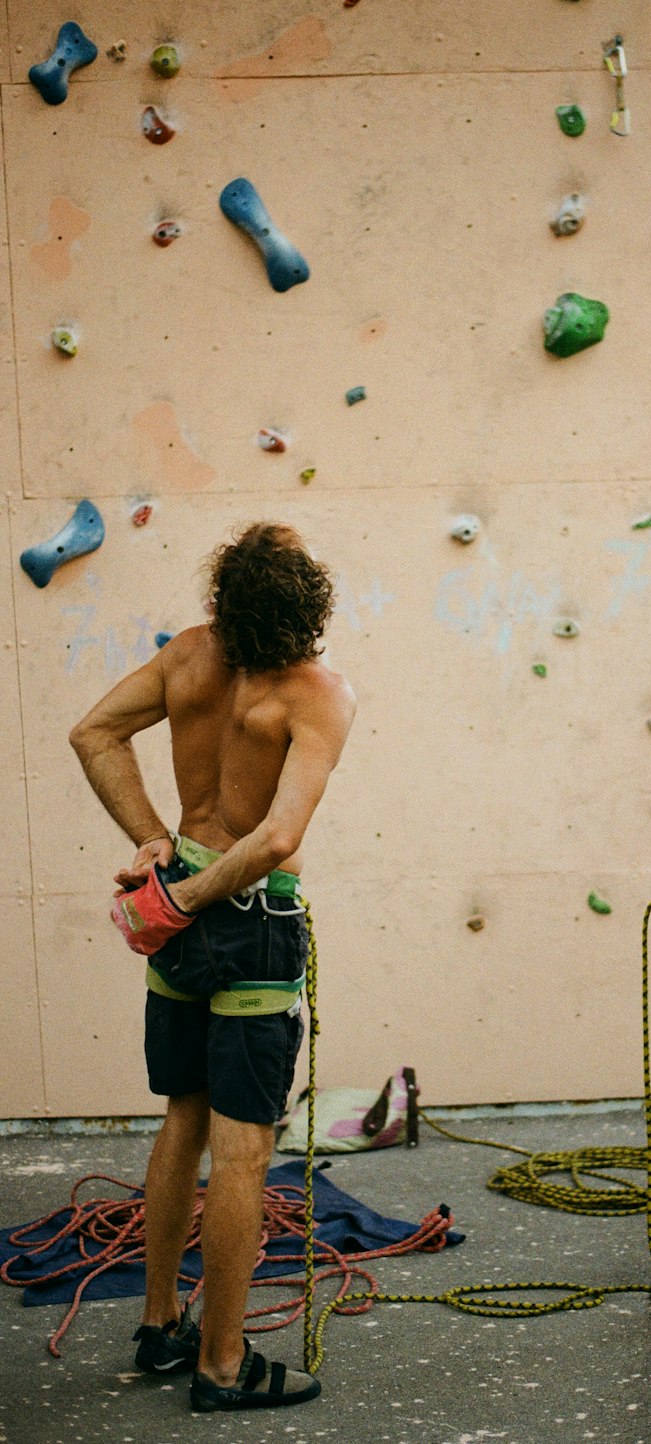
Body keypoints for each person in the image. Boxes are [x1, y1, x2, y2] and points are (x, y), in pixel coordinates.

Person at [69, 522, 356, 1412]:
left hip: (182, 906)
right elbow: (277, 837)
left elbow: (93, 734)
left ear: (223, 597)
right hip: (248, 922)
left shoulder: (188, 658)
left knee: (182, 1117)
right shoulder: (318, 692)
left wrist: (161, 851)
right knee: (243, 1150)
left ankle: (161, 1326)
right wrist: (193, 897)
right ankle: (223, 1366)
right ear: (309, 606)